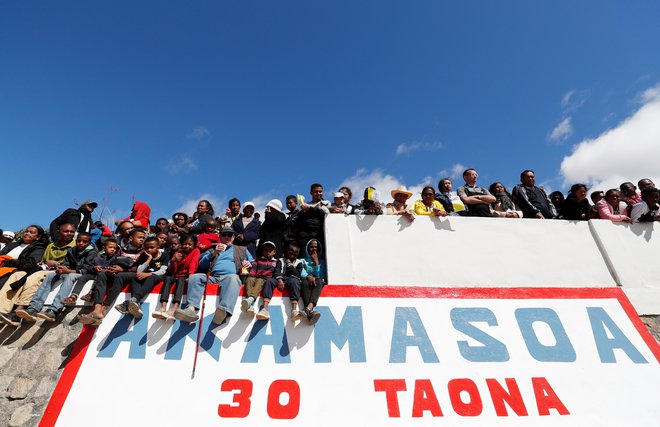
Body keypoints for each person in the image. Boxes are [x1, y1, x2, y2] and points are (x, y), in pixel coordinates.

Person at [174, 226, 253, 325]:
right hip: (213, 277)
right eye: (224, 235)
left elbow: (253, 263)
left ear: (233, 237)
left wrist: (250, 264)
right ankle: (191, 309)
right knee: (195, 277)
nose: (227, 237)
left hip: (230, 277)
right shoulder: (213, 249)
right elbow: (202, 265)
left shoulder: (242, 249)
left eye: (230, 235)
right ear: (220, 236)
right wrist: (214, 253)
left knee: (233, 278)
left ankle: (224, 311)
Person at [0, 224, 76, 326]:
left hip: (61, 271)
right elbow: (42, 261)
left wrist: (56, 264)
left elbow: (75, 264)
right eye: (66, 231)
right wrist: (44, 263)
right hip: (45, 268)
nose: (69, 234)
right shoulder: (51, 246)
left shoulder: (76, 245)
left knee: (33, 277)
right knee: (17, 275)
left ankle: (19, 310)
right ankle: (2, 310)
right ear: (59, 232)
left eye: (71, 232)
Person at [15, 232, 97, 322]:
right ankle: (33, 308)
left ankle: (54, 310)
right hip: (70, 271)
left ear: (89, 243)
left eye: (84, 241)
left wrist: (68, 271)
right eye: (79, 240)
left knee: (70, 277)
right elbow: (67, 264)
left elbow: (87, 270)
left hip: (83, 274)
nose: (81, 243)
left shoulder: (92, 253)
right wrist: (60, 269)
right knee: (51, 275)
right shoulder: (71, 250)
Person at [152, 234, 200, 320]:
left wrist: (190, 275)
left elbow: (194, 263)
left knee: (181, 280)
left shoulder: (196, 251)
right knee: (168, 279)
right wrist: (173, 261)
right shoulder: (178, 253)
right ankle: (163, 307)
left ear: (194, 245)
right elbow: (172, 271)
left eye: (190, 244)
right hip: (176, 276)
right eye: (185, 244)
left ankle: (174, 308)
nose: (187, 246)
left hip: (187, 277)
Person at [121, 237, 170, 319]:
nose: (149, 250)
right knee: (134, 277)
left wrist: (149, 274)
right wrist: (148, 259)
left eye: (152, 247)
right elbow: (139, 271)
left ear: (158, 247)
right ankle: (136, 304)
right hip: (145, 276)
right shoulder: (144, 256)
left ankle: (134, 299)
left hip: (157, 277)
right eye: (147, 248)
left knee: (151, 278)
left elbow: (162, 271)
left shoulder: (164, 255)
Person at [260, 242, 304, 322]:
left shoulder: (299, 262)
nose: (293, 254)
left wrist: (290, 265)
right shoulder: (280, 260)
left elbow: (297, 274)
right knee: (269, 281)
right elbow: (277, 271)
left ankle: (294, 310)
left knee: (294, 281)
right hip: (280, 279)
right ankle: (265, 309)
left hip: (291, 280)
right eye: (291, 251)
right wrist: (280, 280)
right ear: (287, 251)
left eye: (296, 252)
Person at [239, 241, 278, 319]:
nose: (267, 252)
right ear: (262, 251)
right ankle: (250, 306)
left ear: (274, 252)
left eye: (270, 251)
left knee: (260, 280)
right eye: (265, 250)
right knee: (249, 279)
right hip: (256, 278)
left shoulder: (275, 262)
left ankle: (251, 299)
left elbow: (275, 274)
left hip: (265, 280)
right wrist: (251, 276)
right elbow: (253, 270)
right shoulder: (258, 260)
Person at [295, 183, 330, 253]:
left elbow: (323, 214)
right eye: (316, 192)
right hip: (305, 237)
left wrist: (310, 209)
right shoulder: (305, 205)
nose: (318, 193)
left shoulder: (326, 203)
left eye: (320, 191)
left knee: (320, 257)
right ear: (311, 193)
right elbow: (299, 218)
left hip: (319, 236)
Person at [300, 239, 326, 324]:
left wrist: (316, 263)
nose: (314, 249)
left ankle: (308, 308)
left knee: (319, 281)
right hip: (306, 282)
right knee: (304, 282)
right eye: (312, 247)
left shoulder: (322, 262)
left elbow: (320, 275)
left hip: (317, 282)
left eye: (316, 247)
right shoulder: (302, 261)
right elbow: (301, 271)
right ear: (307, 248)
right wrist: (308, 276)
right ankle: (310, 312)